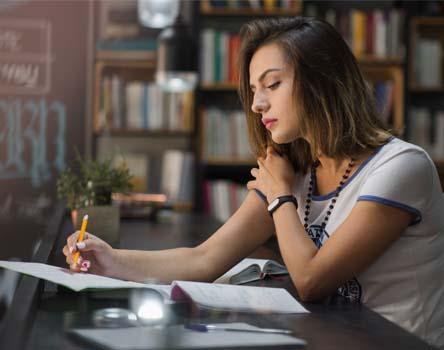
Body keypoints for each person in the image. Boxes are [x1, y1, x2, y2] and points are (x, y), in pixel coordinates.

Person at [63, 17, 444, 348]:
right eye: (254, 90)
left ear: (322, 81)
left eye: (272, 84)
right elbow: (205, 258)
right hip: (333, 339)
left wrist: (280, 197)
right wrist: (111, 261)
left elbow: (312, 280)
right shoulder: (294, 170)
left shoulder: (400, 167)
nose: (257, 103)